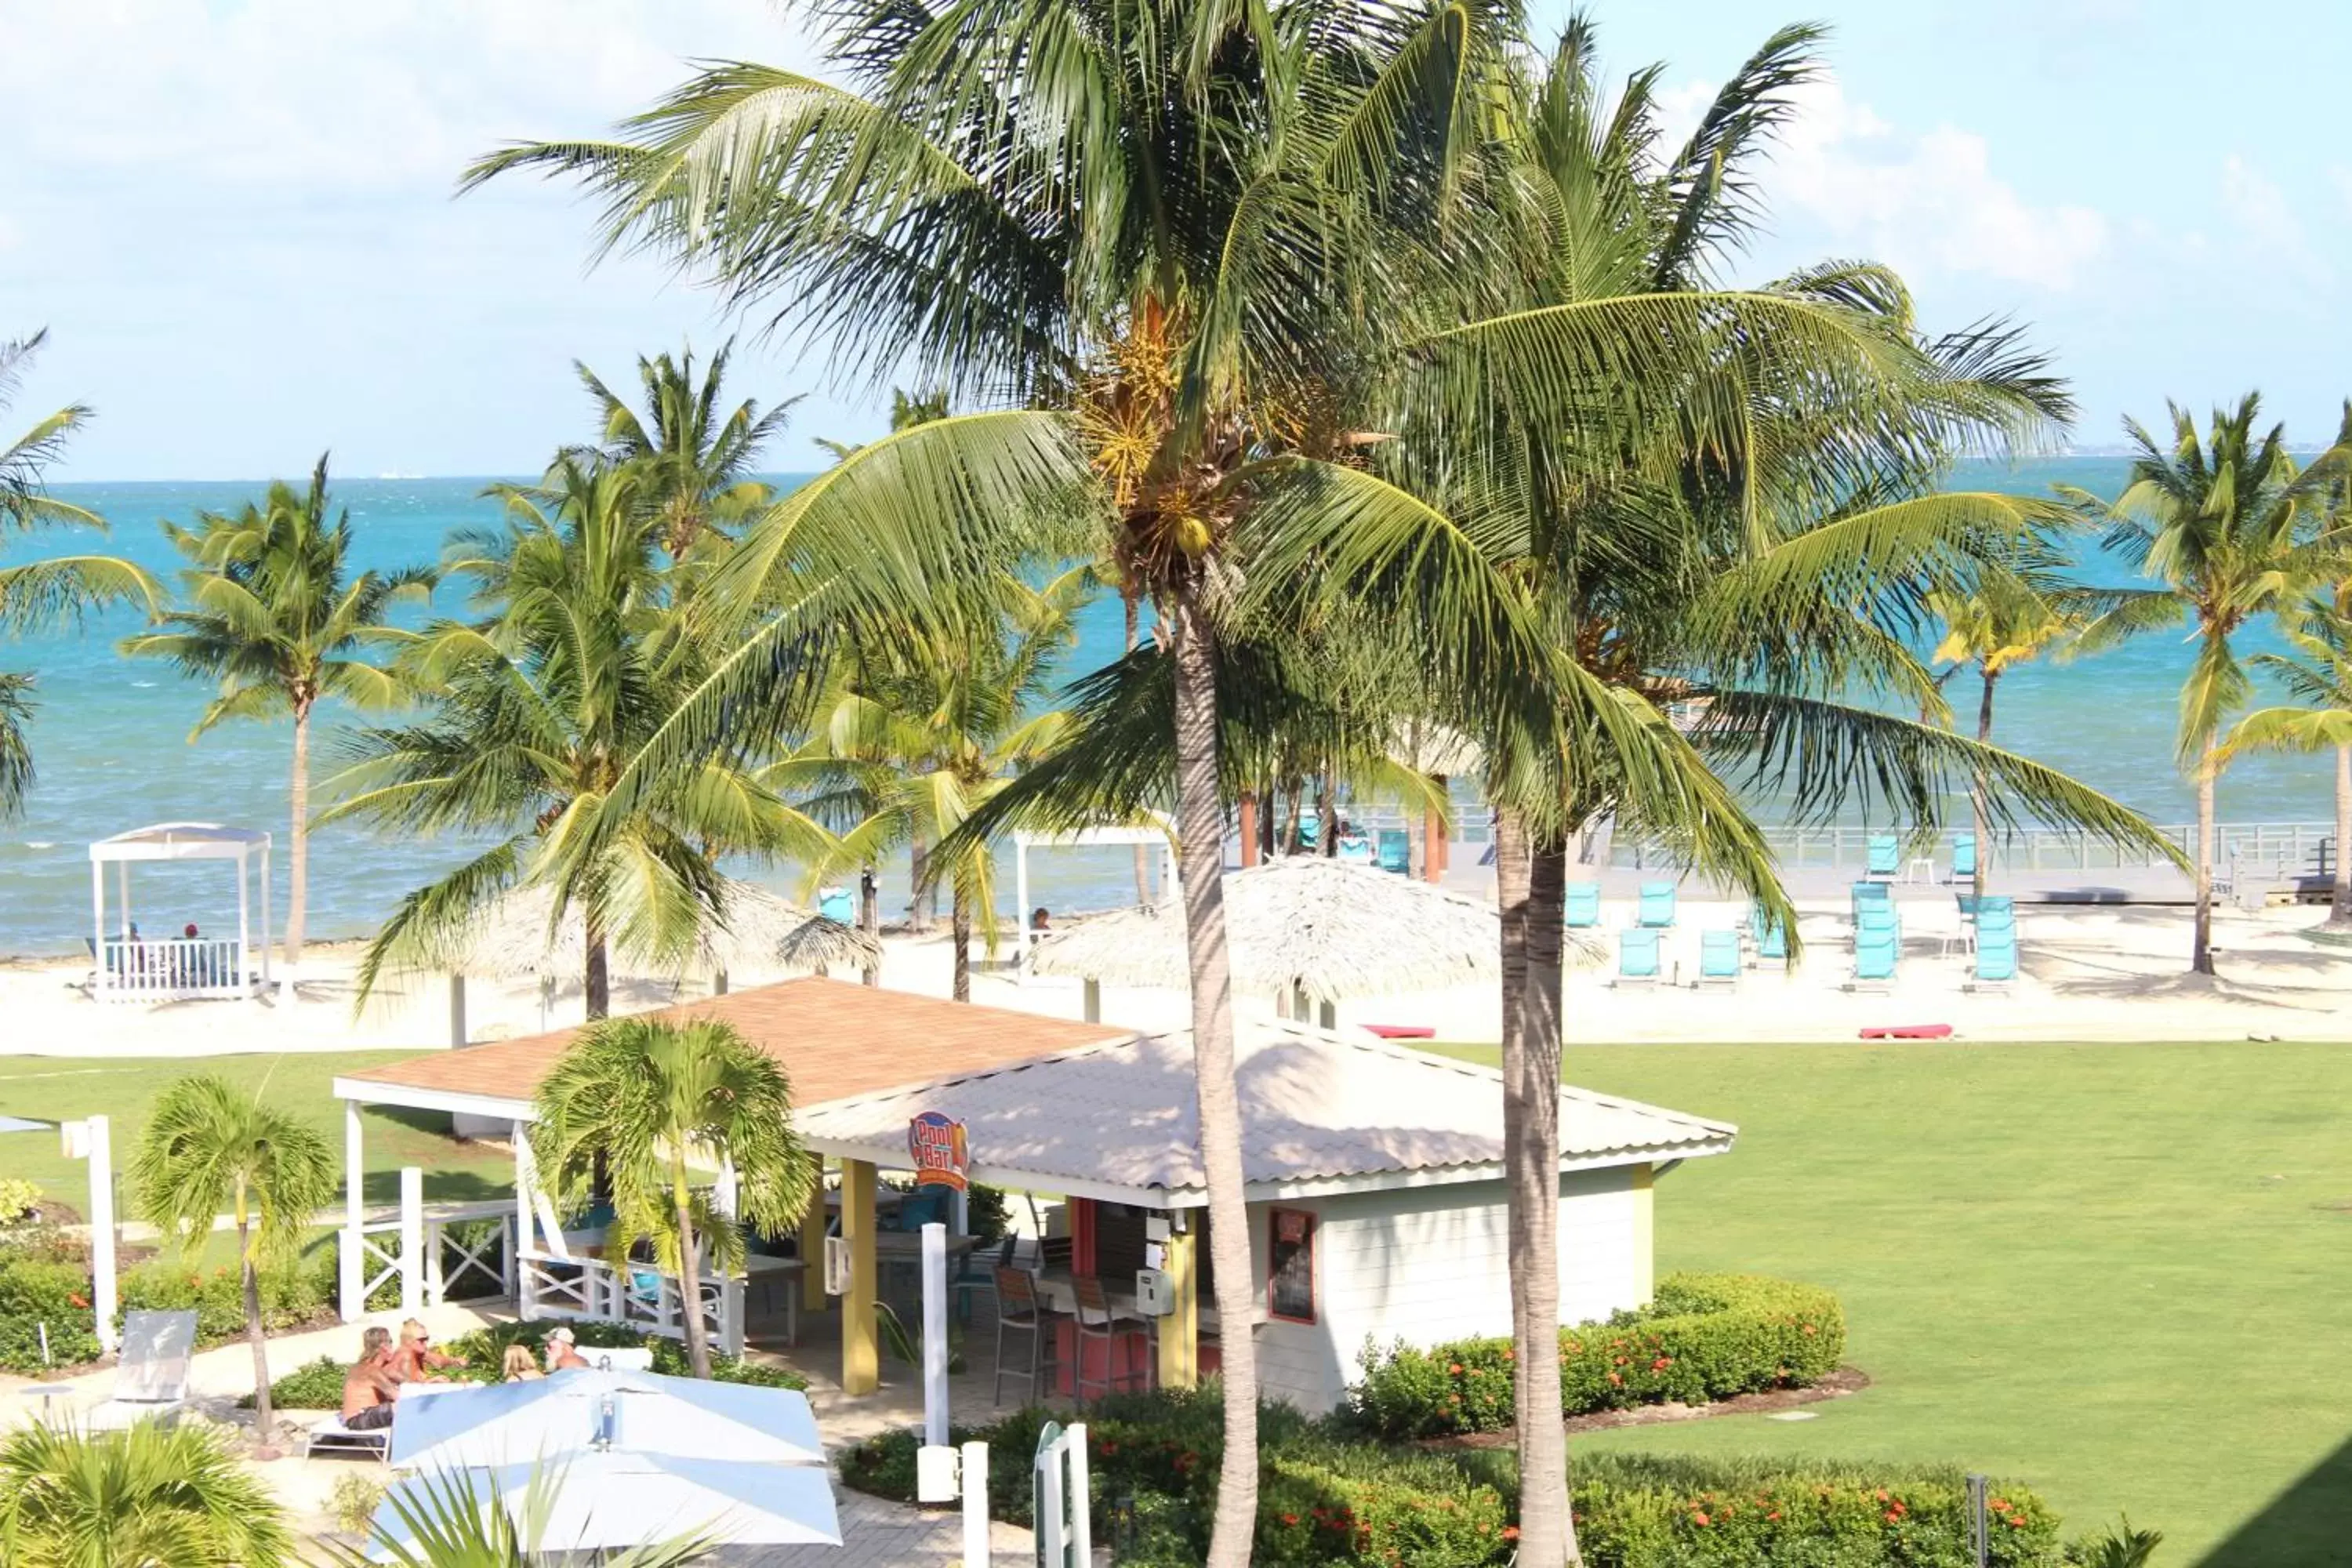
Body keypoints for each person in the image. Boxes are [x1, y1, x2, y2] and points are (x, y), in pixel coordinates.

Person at [339, 1326, 401, 1431]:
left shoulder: (361, 1367)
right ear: (383, 1347)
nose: (393, 1347)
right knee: (401, 1407)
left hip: (355, 1419)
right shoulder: (372, 1371)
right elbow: (398, 1396)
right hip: (358, 1419)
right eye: (390, 1342)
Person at [390, 1317, 460, 1384]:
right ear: (409, 1340)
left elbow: (438, 1360)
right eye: (422, 1340)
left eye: (427, 1338)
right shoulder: (405, 1355)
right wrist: (432, 1381)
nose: (426, 1342)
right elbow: (407, 1388)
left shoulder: (418, 1352)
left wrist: (454, 1361)